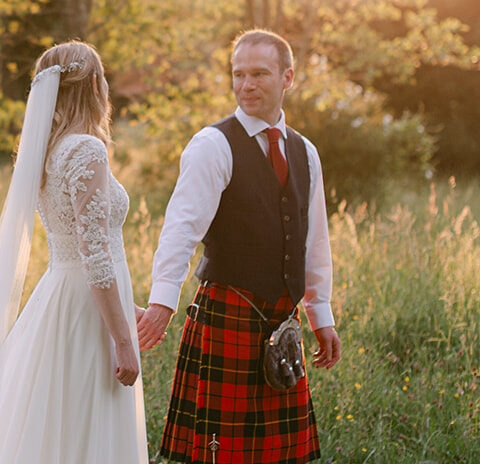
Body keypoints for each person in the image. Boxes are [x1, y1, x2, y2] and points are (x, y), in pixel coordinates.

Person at [0, 40, 148, 464]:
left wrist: (126, 305)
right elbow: (93, 255)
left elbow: (83, 249)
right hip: (85, 310)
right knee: (82, 425)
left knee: (55, 427)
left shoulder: (46, 152)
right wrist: (122, 342)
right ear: (97, 85)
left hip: (63, 294)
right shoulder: (87, 149)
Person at [136, 29, 340, 463]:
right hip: (228, 313)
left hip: (281, 320)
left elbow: (314, 239)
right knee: (218, 454)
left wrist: (320, 314)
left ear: (288, 78)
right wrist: (162, 302)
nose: (247, 85)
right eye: (239, 74)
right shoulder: (212, 145)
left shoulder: (306, 152)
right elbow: (181, 228)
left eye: (259, 74)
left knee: (281, 456)